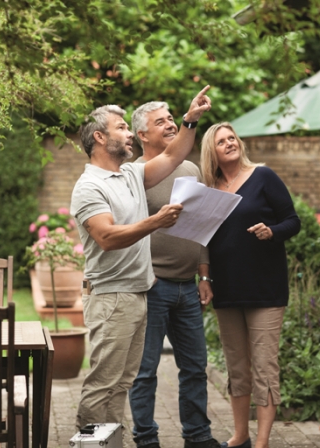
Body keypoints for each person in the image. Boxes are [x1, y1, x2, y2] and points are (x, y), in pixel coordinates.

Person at [70, 86, 211, 429]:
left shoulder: (130, 175)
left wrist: (189, 120)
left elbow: (174, 156)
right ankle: (89, 441)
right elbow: (105, 237)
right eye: (122, 127)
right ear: (100, 137)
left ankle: (112, 442)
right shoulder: (90, 186)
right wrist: (155, 222)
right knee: (102, 385)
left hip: (136, 293)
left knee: (121, 386)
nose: (129, 132)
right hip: (111, 296)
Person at [199, 123, 301, 448]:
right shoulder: (209, 188)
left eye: (232, 138)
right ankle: (241, 434)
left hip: (266, 288)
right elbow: (202, 238)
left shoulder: (263, 176)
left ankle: (262, 441)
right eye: (221, 141)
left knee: (264, 367)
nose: (230, 143)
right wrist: (204, 278)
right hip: (227, 289)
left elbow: (292, 220)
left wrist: (272, 231)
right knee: (236, 366)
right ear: (211, 152)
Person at [128, 102, 219, 448]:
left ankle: (197, 436)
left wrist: (205, 275)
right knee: (145, 371)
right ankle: (146, 437)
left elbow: (203, 225)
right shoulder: (133, 175)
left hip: (188, 287)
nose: (169, 125)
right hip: (152, 286)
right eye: (160, 122)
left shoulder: (190, 169)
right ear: (142, 135)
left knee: (195, 368)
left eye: (171, 119)